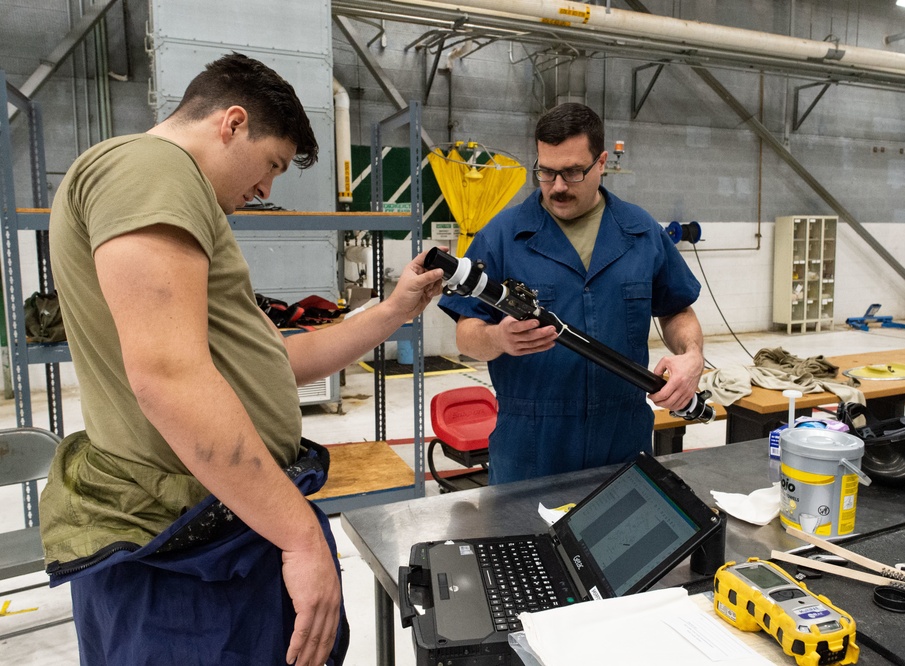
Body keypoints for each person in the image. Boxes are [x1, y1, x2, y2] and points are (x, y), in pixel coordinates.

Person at [39, 52, 443, 666]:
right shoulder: (150, 167)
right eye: (271, 164)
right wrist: (301, 537)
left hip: (229, 520)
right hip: (185, 547)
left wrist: (392, 312)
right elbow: (169, 378)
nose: (265, 190)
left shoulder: (175, 196)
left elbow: (274, 360)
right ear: (231, 123)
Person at [438, 102, 705, 484]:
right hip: (531, 445)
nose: (558, 187)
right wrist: (498, 338)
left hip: (623, 438)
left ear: (601, 163)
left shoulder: (641, 231)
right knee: (525, 543)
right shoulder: (502, 235)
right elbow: (467, 336)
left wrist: (691, 356)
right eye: (546, 172)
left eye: (572, 172)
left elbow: (677, 309)